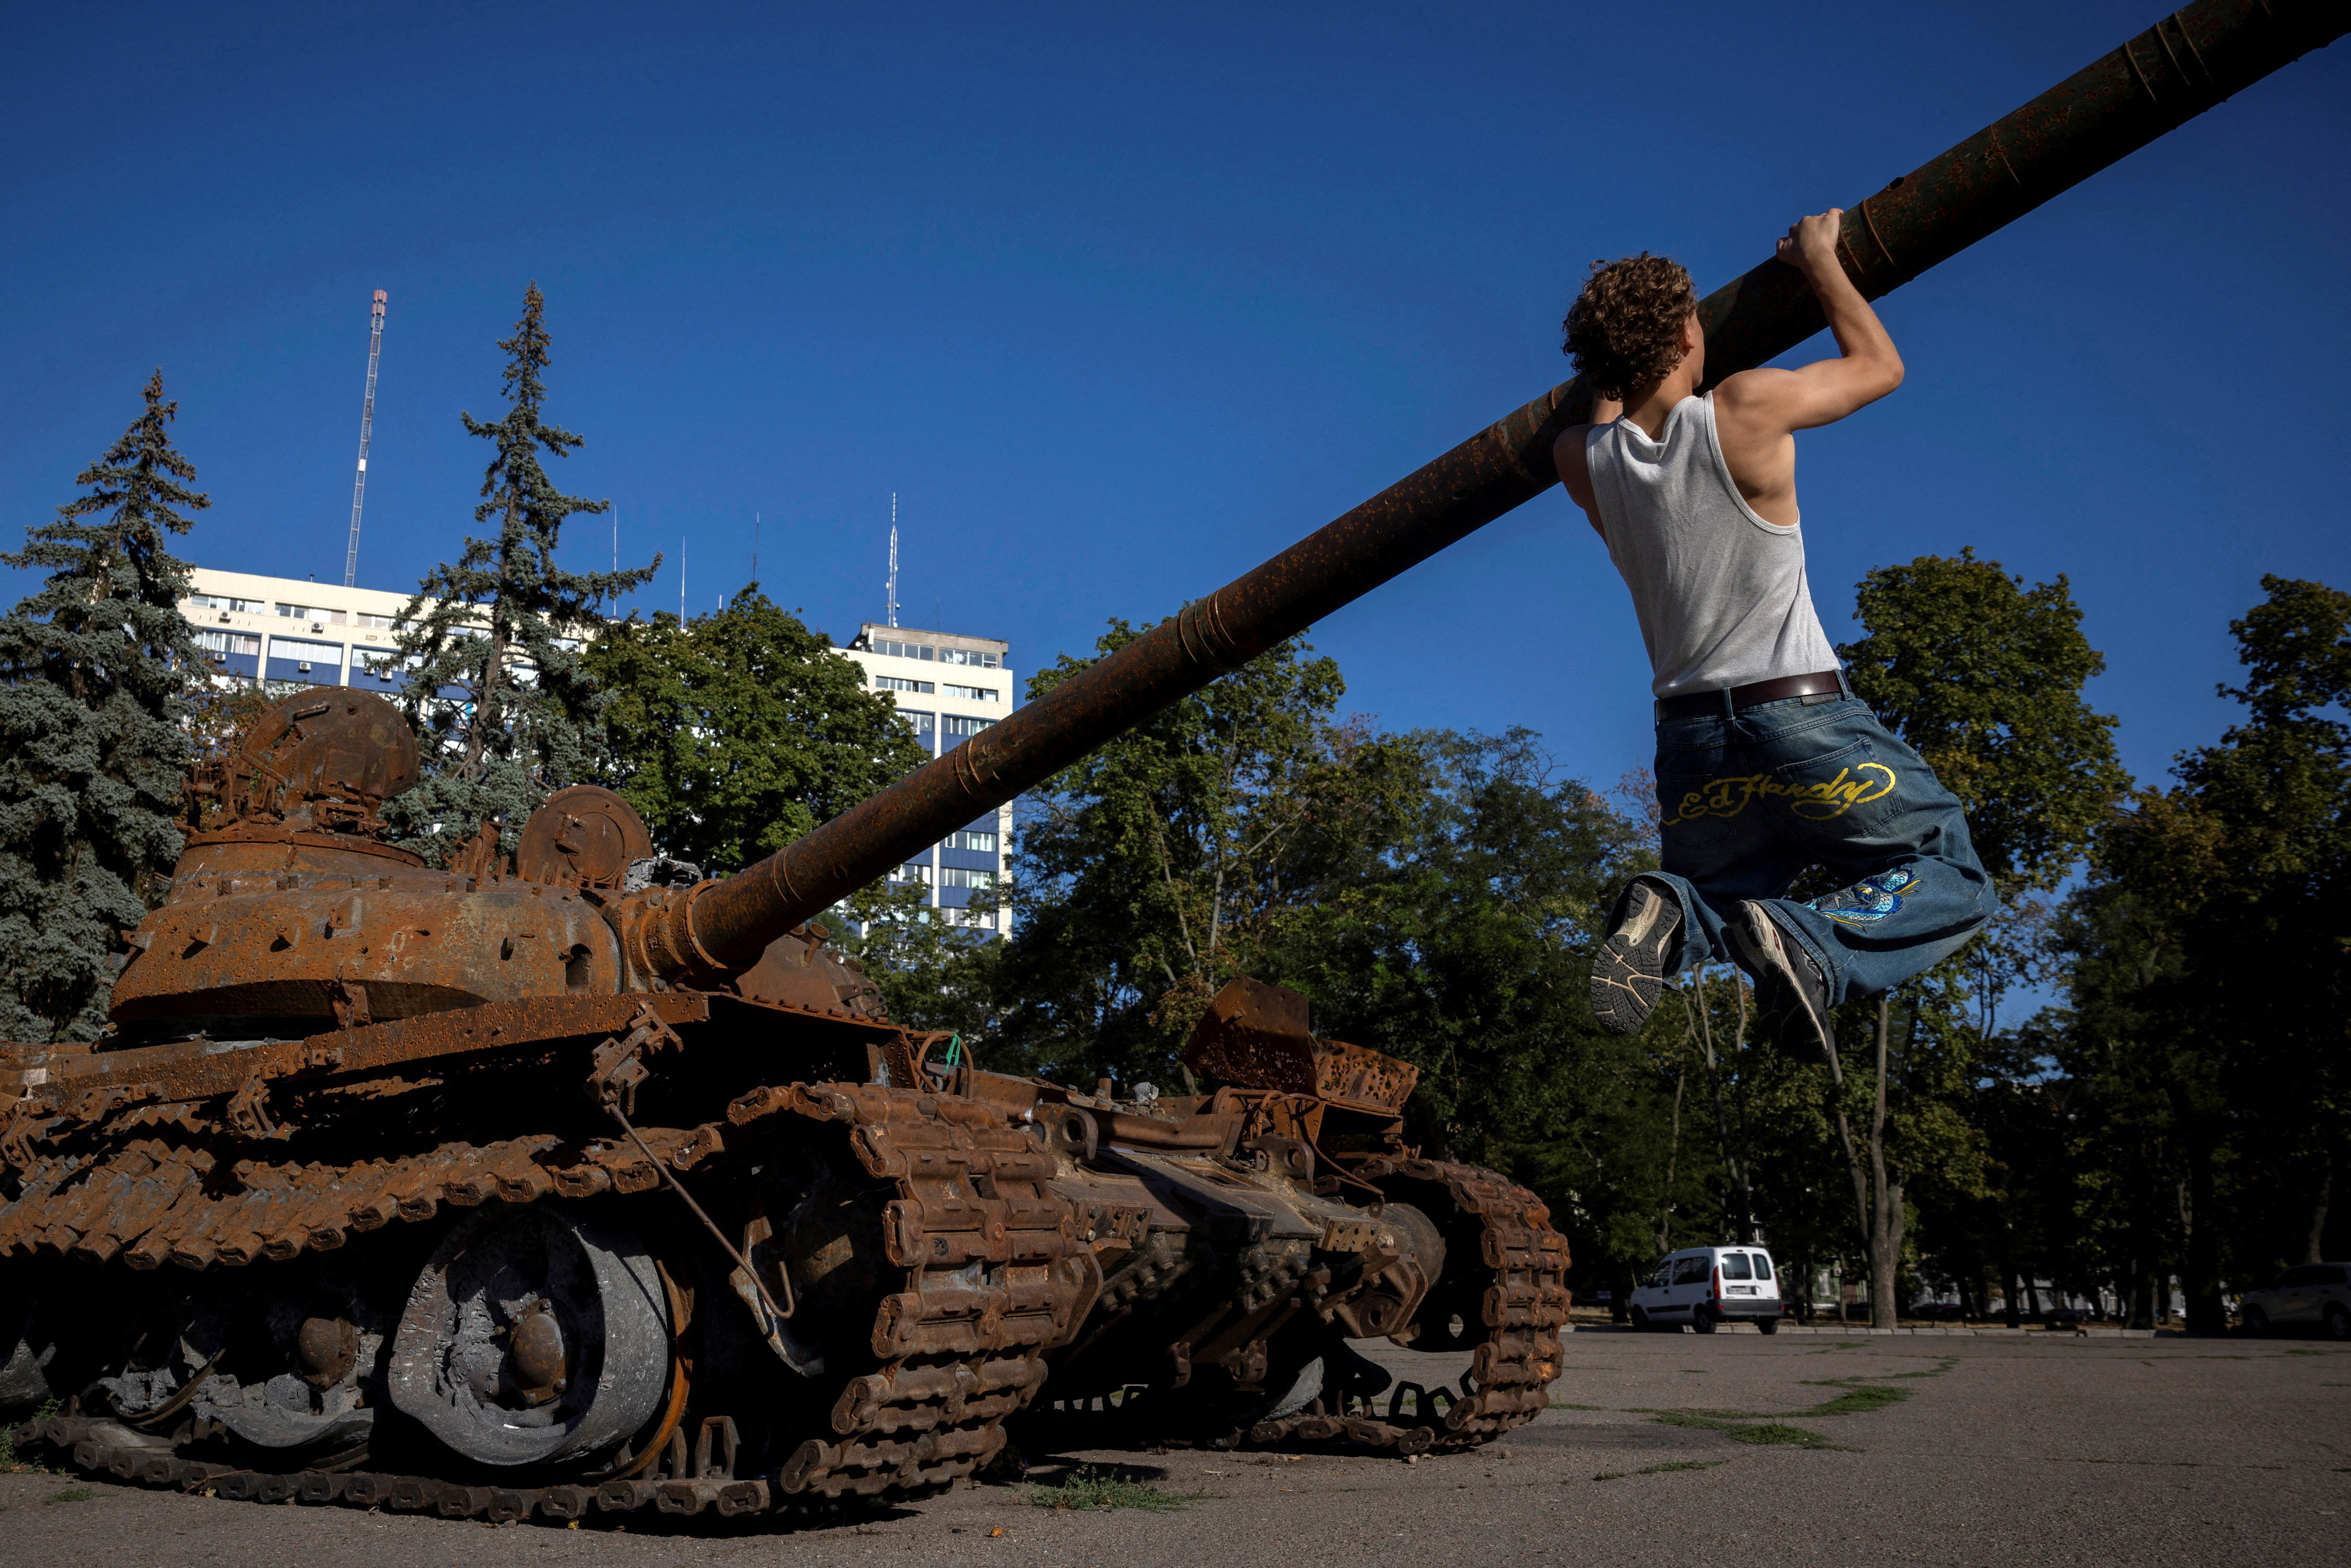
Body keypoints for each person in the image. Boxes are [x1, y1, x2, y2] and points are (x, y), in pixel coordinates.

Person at [1552, 211, 1992, 1061]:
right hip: (1799, 717)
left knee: (1721, 898)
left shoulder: (1584, 460)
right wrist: (1822, 262)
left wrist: (1612, 362)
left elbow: (1606, 410)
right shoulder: (1743, 407)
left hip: (1690, 742)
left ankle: (1673, 911)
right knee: (1953, 872)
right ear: (1690, 333)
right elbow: (1880, 368)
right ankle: (1814, 943)